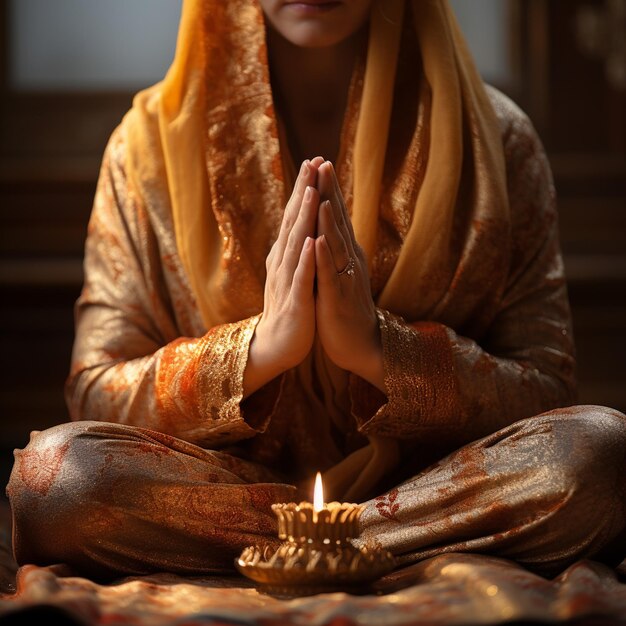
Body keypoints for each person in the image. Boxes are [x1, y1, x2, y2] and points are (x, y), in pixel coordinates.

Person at [6, 0, 626, 582]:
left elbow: (547, 385)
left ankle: (342, 539)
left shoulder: (494, 140)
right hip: (229, 490)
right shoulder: (145, 149)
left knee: (600, 456)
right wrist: (255, 353)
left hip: (431, 484)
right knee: (55, 481)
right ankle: (373, 544)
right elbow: (95, 388)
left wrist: (383, 353)